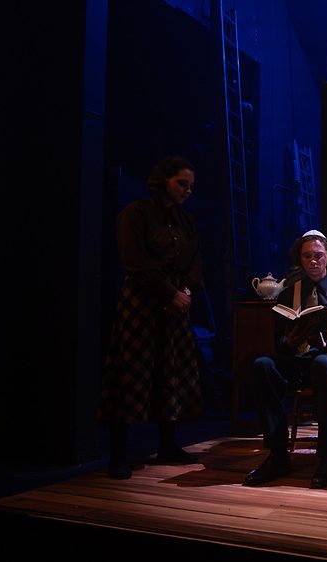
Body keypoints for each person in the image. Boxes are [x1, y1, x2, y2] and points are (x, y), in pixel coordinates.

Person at [99, 156, 203, 480]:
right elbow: (135, 261)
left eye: (190, 186)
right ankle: (119, 454)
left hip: (176, 304)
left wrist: (185, 291)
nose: (187, 190)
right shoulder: (136, 214)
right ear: (163, 180)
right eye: (181, 183)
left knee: (170, 373)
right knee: (131, 374)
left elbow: (195, 261)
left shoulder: (185, 221)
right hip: (143, 302)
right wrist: (169, 294)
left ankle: (168, 444)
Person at [243, 231, 327, 489]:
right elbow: (279, 343)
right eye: (307, 256)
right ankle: (277, 455)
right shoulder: (288, 294)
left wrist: (325, 344)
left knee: (322, 364)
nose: (313, 261)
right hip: (297, 362)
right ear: (300, 259)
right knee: (263, 365)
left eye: (318, 255)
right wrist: (289, 341)